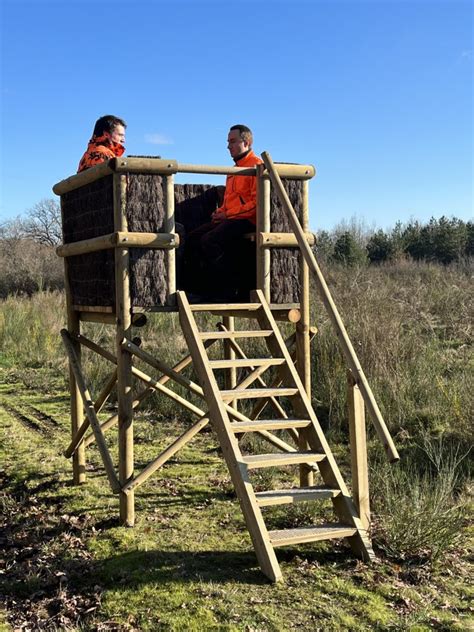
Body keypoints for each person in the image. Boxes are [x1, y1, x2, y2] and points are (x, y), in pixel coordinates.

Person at [184, 124, 262, 301]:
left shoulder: (257, 166)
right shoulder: (232, 170)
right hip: (232, 218)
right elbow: (229, 201)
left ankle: (226, 291)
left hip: (247, 220)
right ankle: (200, 290)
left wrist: (228, 214)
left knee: (209, 240)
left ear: (247, 142)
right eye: (228, 142)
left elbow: (257, 205)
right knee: (192, 238)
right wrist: (219, 212)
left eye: (233, 141)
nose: (229, 146)